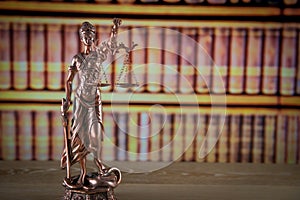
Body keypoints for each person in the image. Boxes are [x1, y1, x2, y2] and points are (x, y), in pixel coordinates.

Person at [61, 19, 121, 188]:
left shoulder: (97, 55)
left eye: (91, 35)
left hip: (95, 99)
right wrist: (67, 100)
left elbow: (111, 46)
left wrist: (115, 30)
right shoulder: (76, 59)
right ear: (81, 38)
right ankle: (83, 173)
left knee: (96, 132)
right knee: (81, 136)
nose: (88, 38)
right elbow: (69, 81)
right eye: (85, 35)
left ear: (94, 38)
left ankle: (99, 161)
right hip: (81, 100)